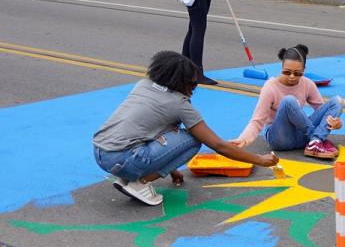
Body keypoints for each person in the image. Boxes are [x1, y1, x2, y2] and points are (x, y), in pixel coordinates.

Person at [93, 51, 278, 206]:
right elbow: (218, 145)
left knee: (172, 133)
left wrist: (170, 168)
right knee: (193, 139)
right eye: (192, 84)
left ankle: (127, 177)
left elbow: (155, 129)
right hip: (123, 159)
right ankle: (140, 183)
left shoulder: (144, 85)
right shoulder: (179, 104)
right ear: (178, 82)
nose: (193, 89)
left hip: (100, 152)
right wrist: (260, 160)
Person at [231, 45, 345, 159]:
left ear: (304, 70)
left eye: (297, 73)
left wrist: (337, 124)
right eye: (287, 72)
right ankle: (316, 140)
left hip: (301, 136)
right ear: (281, 67)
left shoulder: (308, 83)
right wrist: (243, 139)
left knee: (337, 101)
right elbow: (257, 121)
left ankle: (315, 141)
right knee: (288, 101)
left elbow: (323, 113)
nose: (292, 76)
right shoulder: (270, 87)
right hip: (280, 138)